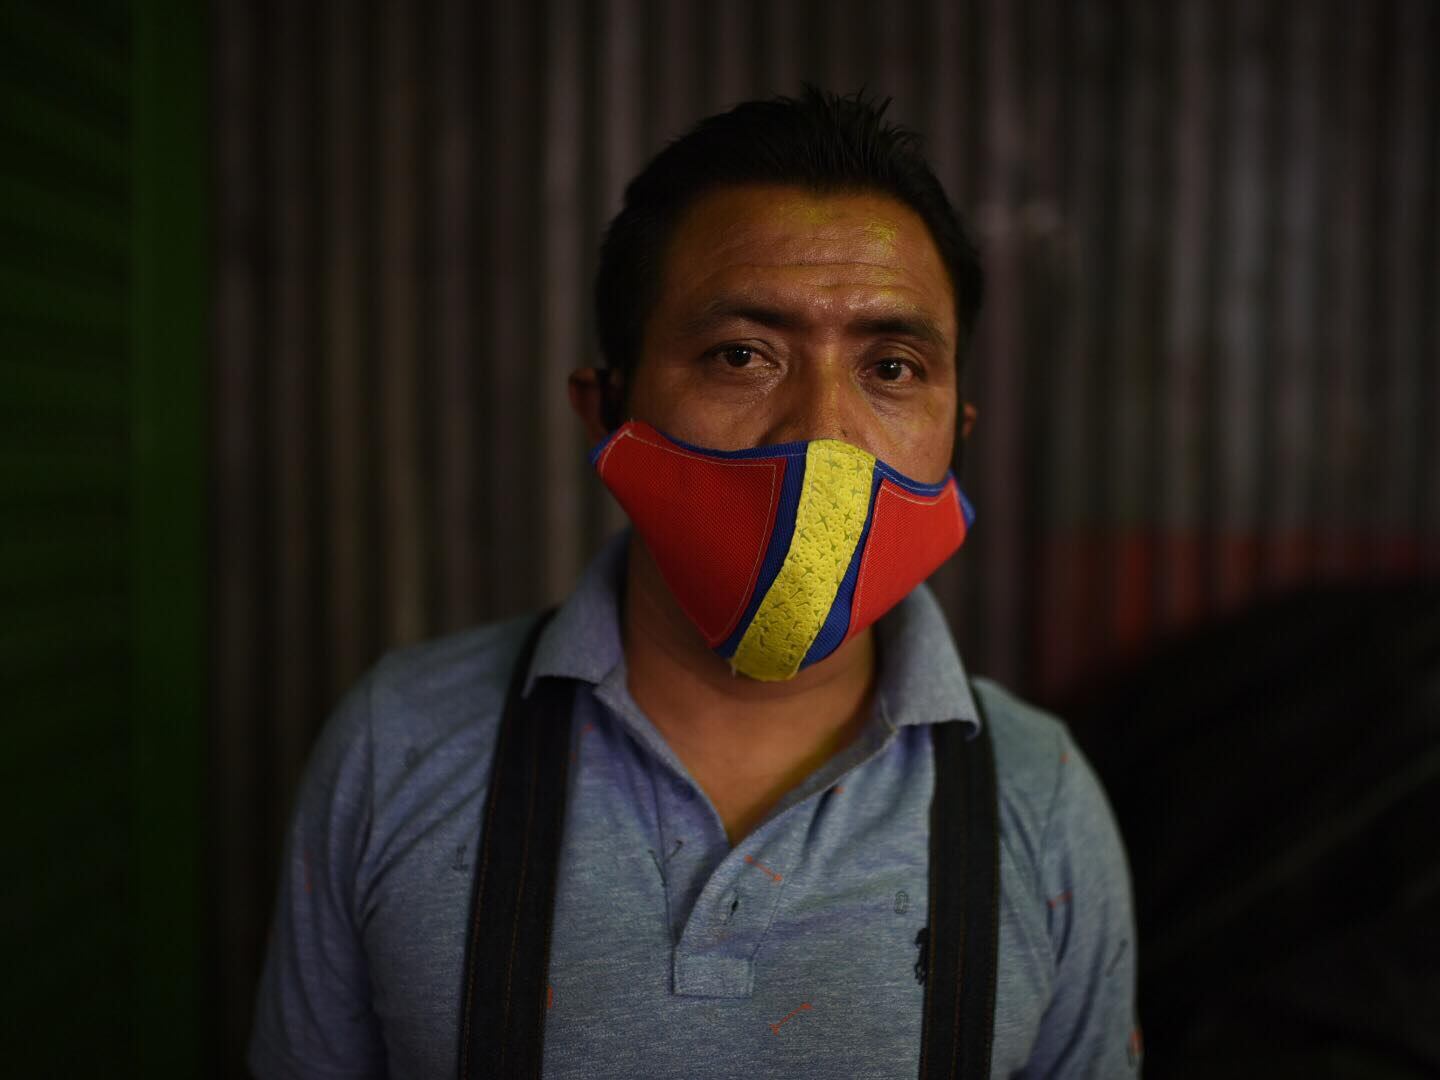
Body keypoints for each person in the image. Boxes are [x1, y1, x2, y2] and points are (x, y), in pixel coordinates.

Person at [249, 87, 1138, 1079]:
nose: (825, 434)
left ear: (956, 437)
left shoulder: (1040, 797)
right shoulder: (399, 746)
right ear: (605, 409)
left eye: (892, 368)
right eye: (741, 355)